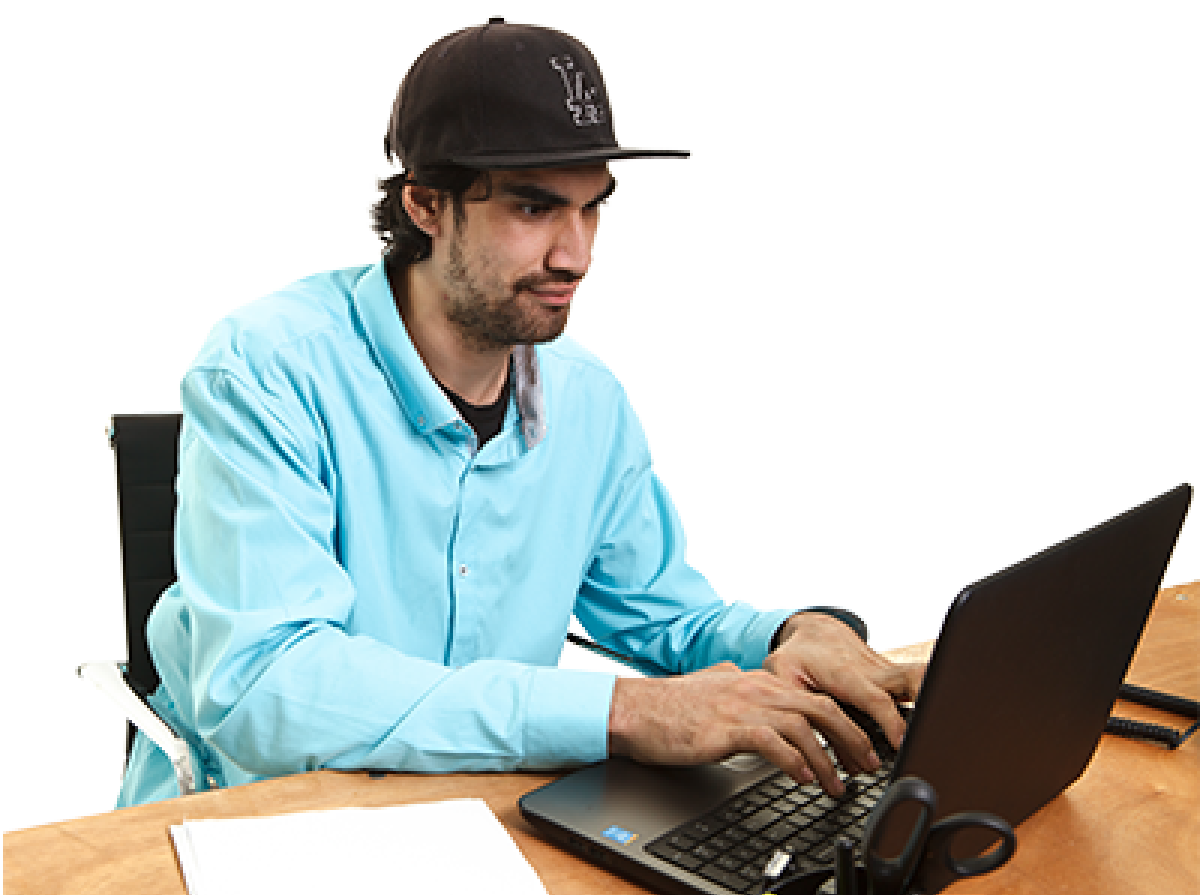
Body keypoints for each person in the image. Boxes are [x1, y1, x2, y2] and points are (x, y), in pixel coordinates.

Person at [115, 17, 925, 809]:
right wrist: (621, 714)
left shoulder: (587, 397)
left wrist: (789, 639)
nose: (575, 255)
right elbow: (267, 689)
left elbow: (660, 611)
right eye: (534, 210)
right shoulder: (266, 367)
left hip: (486, 814)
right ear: (426, 205)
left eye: (593, 209)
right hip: (262, 817)